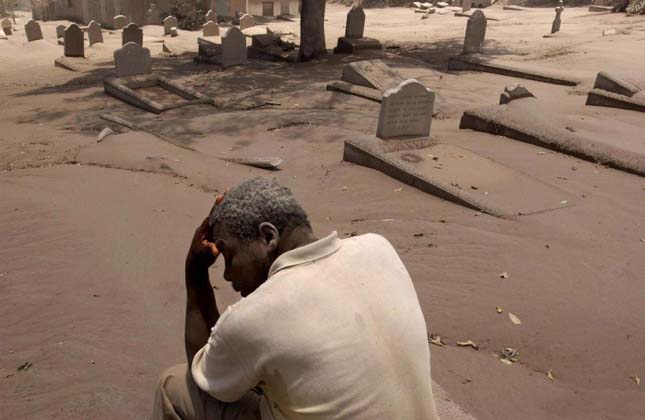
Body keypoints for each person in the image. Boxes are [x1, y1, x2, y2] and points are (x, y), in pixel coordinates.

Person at [152, 177, 439, 420]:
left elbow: (206, 378)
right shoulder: (378, 247)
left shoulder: (256, 316)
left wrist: (195, 271)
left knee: (174, 385)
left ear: (268, 238)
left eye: (228, 256)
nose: (227, 275)